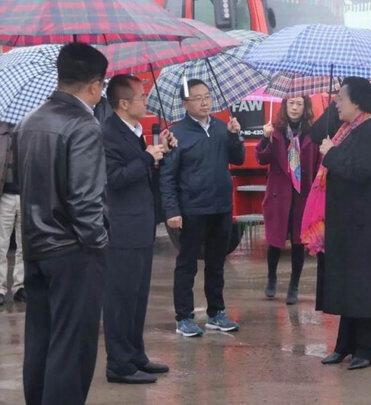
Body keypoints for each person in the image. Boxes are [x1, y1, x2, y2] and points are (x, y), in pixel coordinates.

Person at [17, 42, 109, 405]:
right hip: (73, 250)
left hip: (36, 246)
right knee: (72, 347)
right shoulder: (84, 125)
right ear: (94, 84)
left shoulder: (30, 120)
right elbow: (85, 200)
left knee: (40, 339)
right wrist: (98, 244)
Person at [305, 77, 371, 371]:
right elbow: (315, 135)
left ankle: (367, 349)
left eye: (341, 98)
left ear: (358, 102)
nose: (336, 102)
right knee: (349, 286)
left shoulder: (369, 132)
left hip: (364, 225)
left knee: (364, 287)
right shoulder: (347, 129)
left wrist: (331, 153)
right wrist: (331, 145)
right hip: (347, 222)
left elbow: (360, 171)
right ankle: (345, 345)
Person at [102, 75, 174, 384]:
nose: (146, 101)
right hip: (122, 228)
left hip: (141, 225)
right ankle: (118, 364)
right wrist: (146, 157)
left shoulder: (135, 131)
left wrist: (162, 153)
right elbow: (114, 179)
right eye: (141, 97)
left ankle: (135, 355)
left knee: (137, 296)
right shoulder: (108, 133)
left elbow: (145, 175)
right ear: (123, 103)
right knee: (120, 298)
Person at [160, 79, 245, 337]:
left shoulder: (221, 127)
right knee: (187, 264)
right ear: (185, 103)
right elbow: (167, 176)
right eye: (197, 98)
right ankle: (184, 317)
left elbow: (238, 159)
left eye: (207, 96)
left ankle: (216, 313)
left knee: (216, 263)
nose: (205, 102)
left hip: (221, 207)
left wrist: (234, 136)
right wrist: (172, 211)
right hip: (192, 210)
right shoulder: (176, 134)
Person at [256, 96, 321, 305]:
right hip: (279, 195)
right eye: (291, 103)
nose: (294, 107)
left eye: (299, 104)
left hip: (302, 195)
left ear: (305, 107)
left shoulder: (313, 132)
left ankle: (294, 285)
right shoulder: (275, 130)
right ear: (285, 106)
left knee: (298, 243)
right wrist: (265, 138)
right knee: (275, 241)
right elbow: (261, 158)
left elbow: (318, 164)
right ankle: (271, 278)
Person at [0, 121, 25, 305]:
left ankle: (20, 286)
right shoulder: (2, 133)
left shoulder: (31, 132)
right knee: (1, 244)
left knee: (25, 245)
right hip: (5, 195)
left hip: (27, 193)